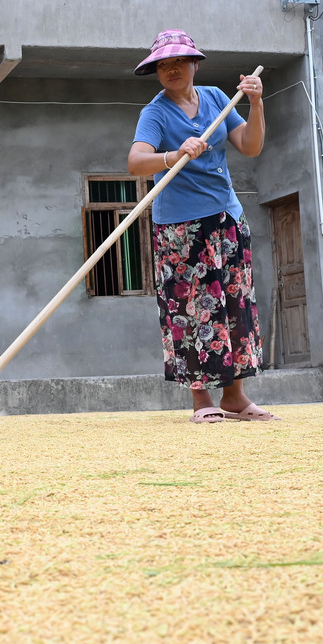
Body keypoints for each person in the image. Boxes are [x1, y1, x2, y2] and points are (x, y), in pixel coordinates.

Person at [127, 29, 279, 424]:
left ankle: (235, 397)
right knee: (192, 309)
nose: (172, 70)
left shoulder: (215, 97)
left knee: (235, 305)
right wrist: (173, 155)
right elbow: (135, 161)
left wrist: (257, 103)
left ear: (194, 64)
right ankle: (201, 399)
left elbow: (250, 145)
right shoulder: (155, 113)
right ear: (156, 72)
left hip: (227, 219)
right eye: (163, 65)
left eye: (179, 61)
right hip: (181, 228)